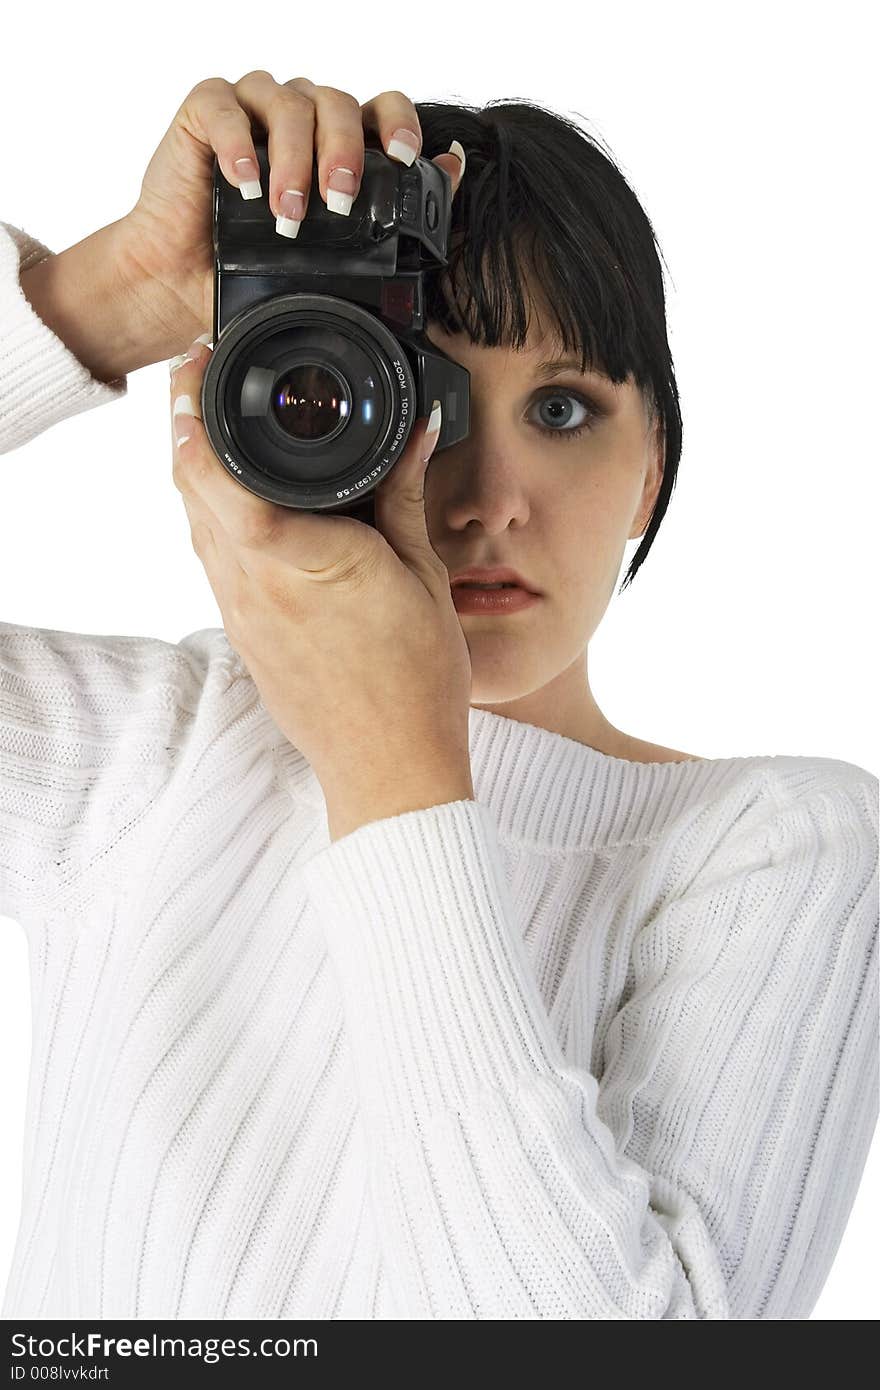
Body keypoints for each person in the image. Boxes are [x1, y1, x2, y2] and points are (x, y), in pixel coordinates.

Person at [0, 73, 876, 1321]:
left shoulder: (774, 847)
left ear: (649, 474)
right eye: (416, 396)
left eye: (564, 409)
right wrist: (109, 296)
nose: (486, 498)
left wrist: (395, 777)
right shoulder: (156, 745)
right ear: (281, 404)